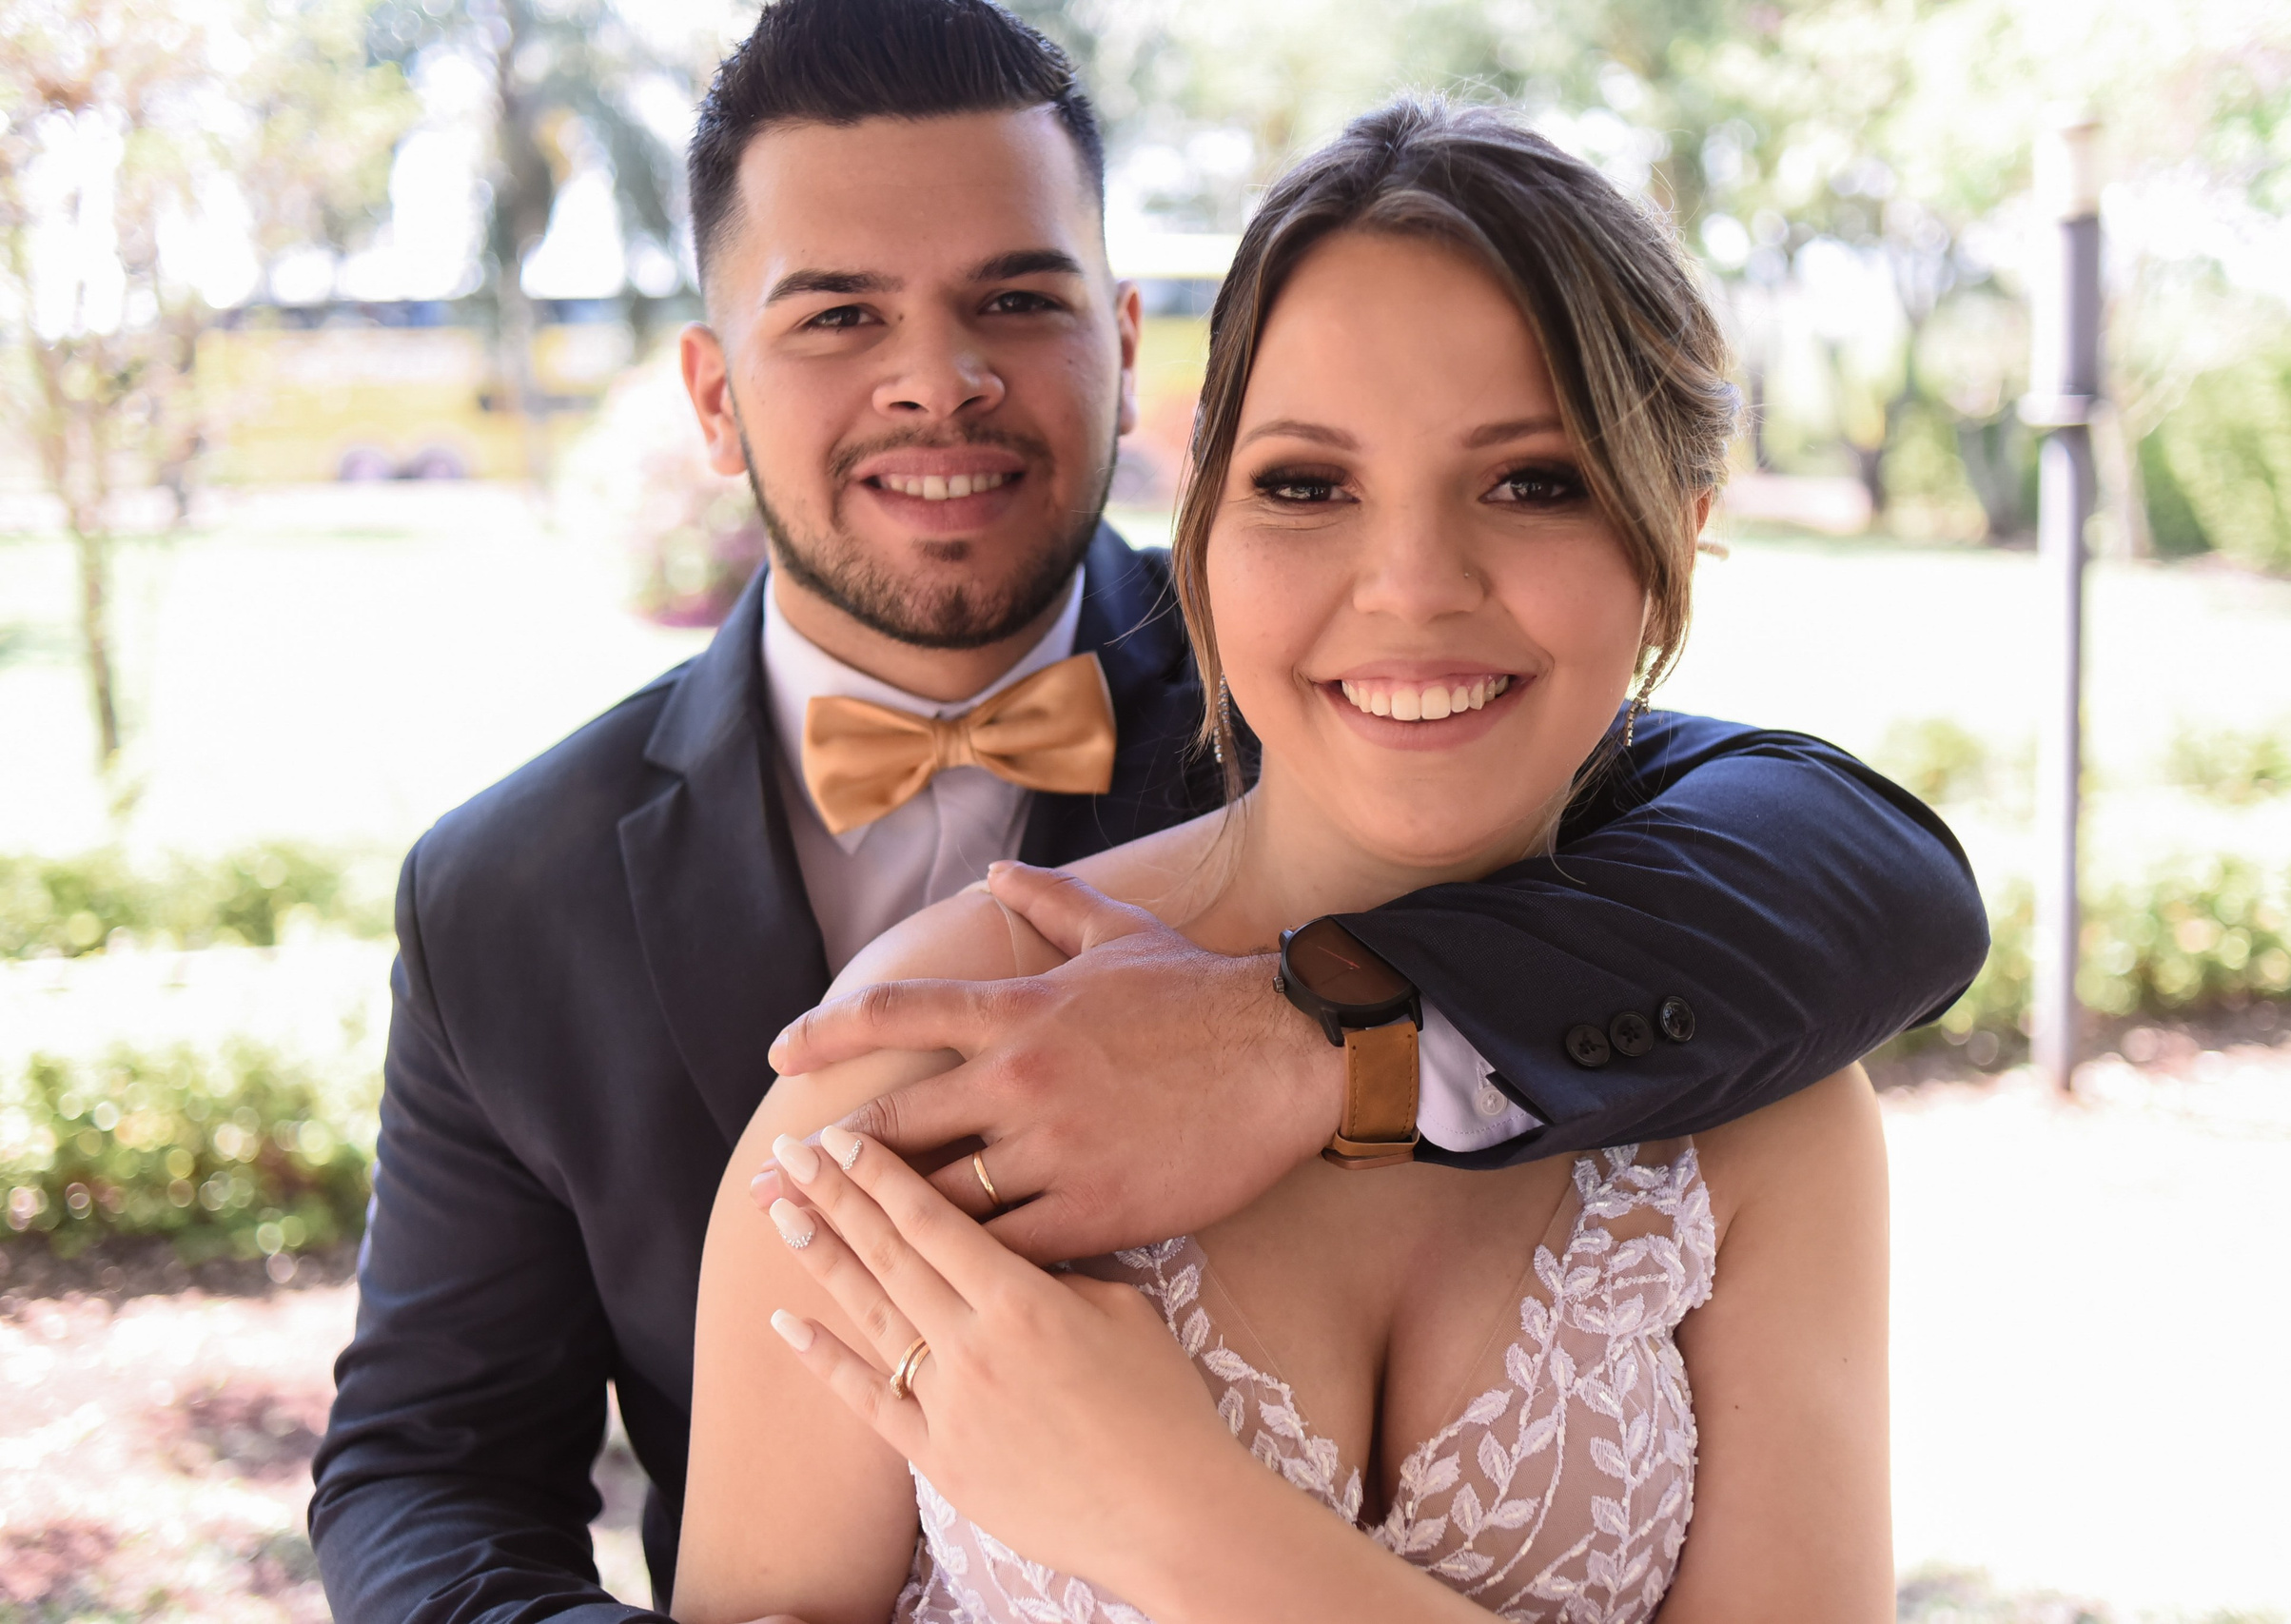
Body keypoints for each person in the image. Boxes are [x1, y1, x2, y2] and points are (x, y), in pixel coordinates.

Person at [308, 3, 1983, 1619]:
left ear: (1123, 352)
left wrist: (1307, 1051)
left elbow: (1870, 866)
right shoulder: (508, 898)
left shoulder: (1405, 723)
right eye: (837, 316)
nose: (936, 383)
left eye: (1014, 300)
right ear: (713, 391)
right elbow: (421, 1473)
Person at [680, 97, 1895, 1624]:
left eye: (1533, 480)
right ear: (1200, 539)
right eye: (1307, 485)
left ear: (1675, 539)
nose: (1411, 588)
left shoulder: (1770, 1118)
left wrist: (1175, 1521)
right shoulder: (903, 1081)